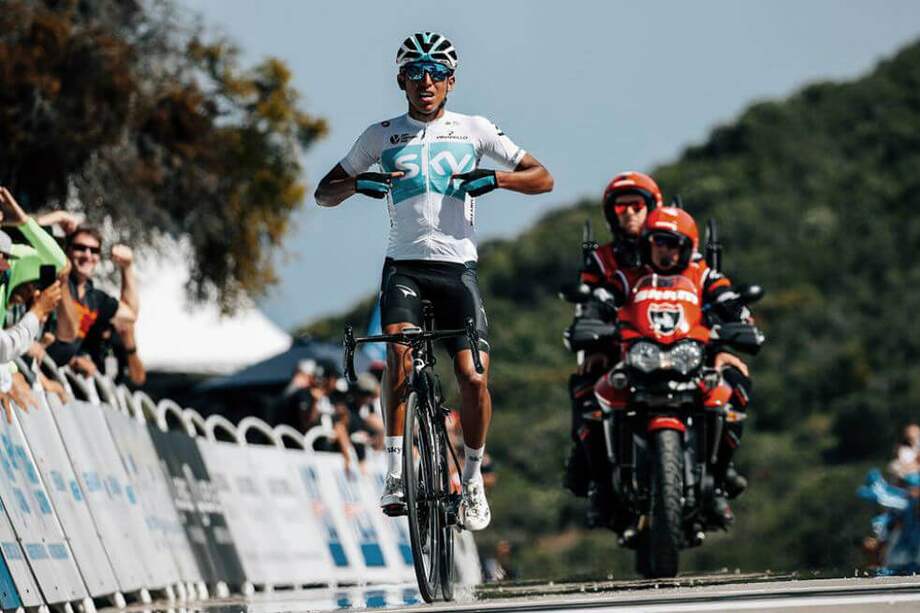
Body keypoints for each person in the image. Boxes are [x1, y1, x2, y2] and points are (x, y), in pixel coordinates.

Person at [315, 32, 553, 530]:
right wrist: (358, 183)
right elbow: (323, 194)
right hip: (403, 268)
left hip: (457, 270)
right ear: (401, 80)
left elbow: (543, 177)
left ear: (451, 81)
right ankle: (397, 471)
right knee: (399, 354)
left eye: (437, 72)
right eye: (416, 72)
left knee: (473, 377)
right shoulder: (381, 136)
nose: (427, 82)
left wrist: (498, 178)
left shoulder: (475, 129)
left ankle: (469, 479)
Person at [636, 206, 754, 523]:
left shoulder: (703, 274)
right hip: (639, 362)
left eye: (672, 243)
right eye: (658, 241)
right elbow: (604, 304)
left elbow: (733, 306)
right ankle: (597, 479)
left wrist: (740, 329)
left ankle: (718, 476)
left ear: (687, 246)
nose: (664, 249)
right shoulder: (631, 276)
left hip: (695, 360)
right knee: (594, 391)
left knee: (735, 388)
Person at [564, 172, 661, 525]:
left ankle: (720, 472)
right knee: (586, 388)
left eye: (637, 205)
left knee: (729, 383)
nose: (629, 213)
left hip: (678, 347)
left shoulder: (673, 249)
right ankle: (595, 476)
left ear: (652, 208)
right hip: (619, 350)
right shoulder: (603, 261)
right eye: (622, 206)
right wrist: (594, 341)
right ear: (612, 213)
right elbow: (589, 304)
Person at [47, 227, 138, 369]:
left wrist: (127, 267)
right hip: (38, 366)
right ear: (67, 250)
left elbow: (131, 314)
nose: (87, 255)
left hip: (64, 373)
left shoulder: (95, 298)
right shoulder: (54, 281)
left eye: (94, 250)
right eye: (80, 248)